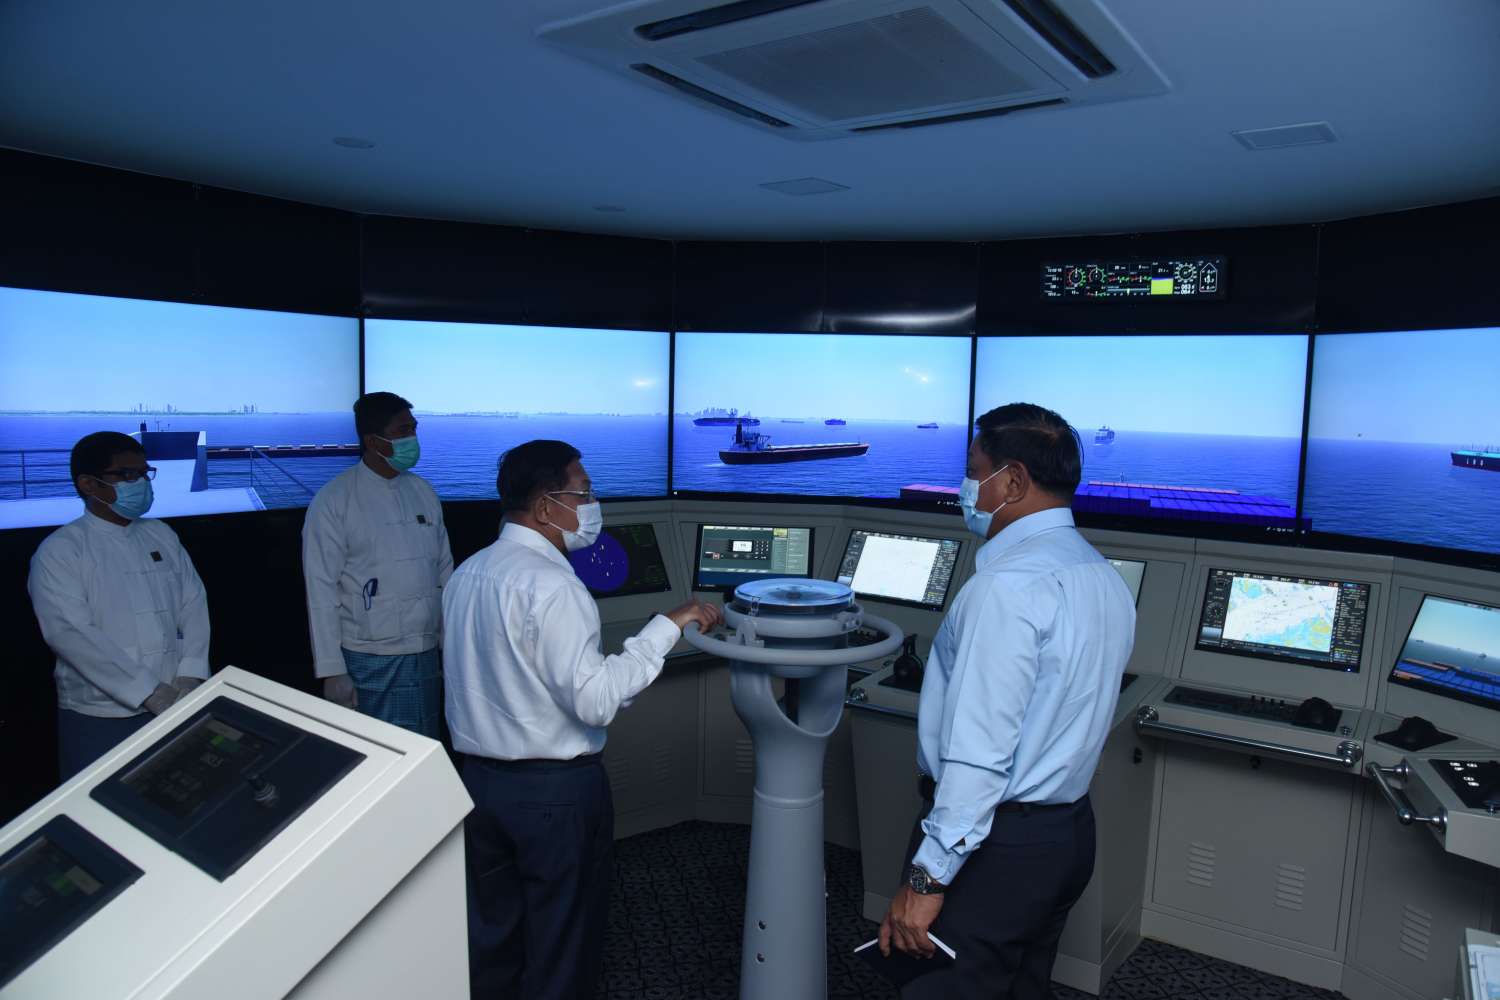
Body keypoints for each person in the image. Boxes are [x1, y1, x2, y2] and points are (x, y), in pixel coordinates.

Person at [443, 439, 723, 1000]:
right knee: (560, 947)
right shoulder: (555, 587)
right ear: (546, 507)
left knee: (493, 940)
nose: (593, 506)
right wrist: (665, 628)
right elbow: (595, 701)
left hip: (477, 786)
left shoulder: (467, 573)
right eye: (584, 493)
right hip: (553, 796)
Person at [879, 403, 1137, 999]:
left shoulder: (1004, 589)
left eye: (974, 472)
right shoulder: (1104, 577)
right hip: (1066, 836)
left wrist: (927, 877)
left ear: (1014, 480)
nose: (965, 488)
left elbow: (980, 753)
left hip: (992, 845)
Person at [28, 431, 211, 781]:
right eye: (127, 475)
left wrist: (191, 672)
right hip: (101, 715)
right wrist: (148, 691)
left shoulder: (161, 534)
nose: (140, 483)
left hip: (179, 698)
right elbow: (71, 634)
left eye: (144, 473)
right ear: (88, 484)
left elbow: (193, 603)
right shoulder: (60, 551)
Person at [302, 392, 453, 738]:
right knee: (380, 749)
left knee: (426, 744)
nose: (412, 438)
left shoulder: (424, 492)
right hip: (368, 658)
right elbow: (320, 590)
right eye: (403, 431)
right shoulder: (334, 500)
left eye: (414, 429)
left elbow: (445, 572)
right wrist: (332, 670)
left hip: (425, 652)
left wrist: (449, 644)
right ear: (373, 441)